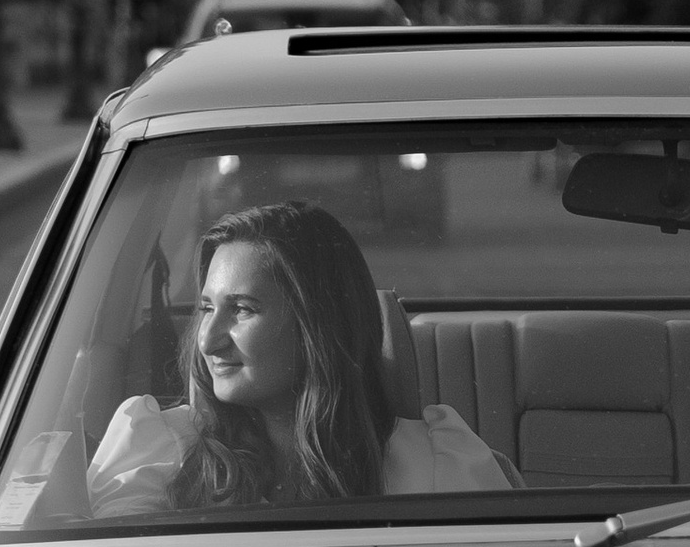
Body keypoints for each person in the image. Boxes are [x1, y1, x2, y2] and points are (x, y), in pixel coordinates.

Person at [88, 201, 512, 516]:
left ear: (318, 325)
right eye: (205, 308)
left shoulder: (436, 464)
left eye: (242, 310)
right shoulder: (158, 451)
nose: (207, 341)